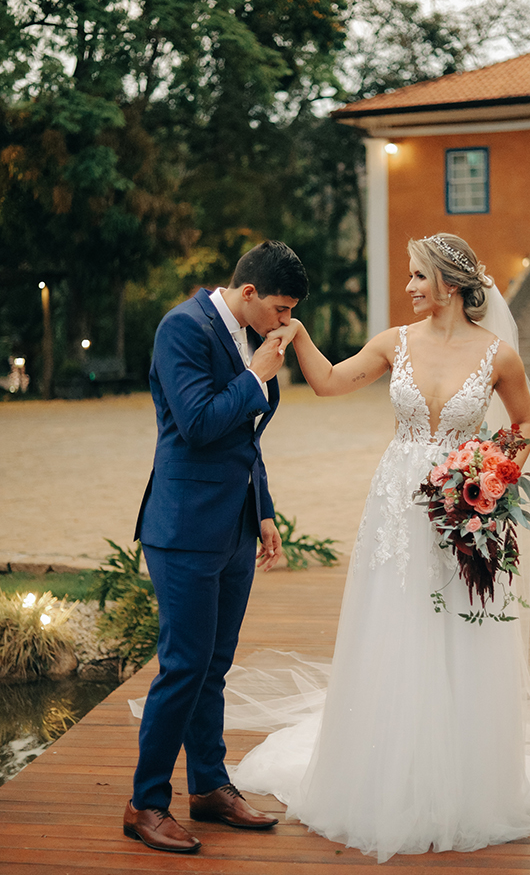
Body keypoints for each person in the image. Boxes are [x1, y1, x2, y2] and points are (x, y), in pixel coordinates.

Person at [229, 233, 530, 863]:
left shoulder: (498, 356)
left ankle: (456, 777)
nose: (409, 288)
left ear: (449, 285)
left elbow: (524, 423)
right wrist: (299, 336)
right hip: (395, 508)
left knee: (455, 628)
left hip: (459, 508)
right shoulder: (392, 343)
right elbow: (331, 383)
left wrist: (493, 474)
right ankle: (383, 772)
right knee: (392, 623)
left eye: (418, 277)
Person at [123, 239, 308, 854]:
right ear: (249, 293)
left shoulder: (246, 332)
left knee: (214, 665)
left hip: (232, 524)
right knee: (183, 665)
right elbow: (200, 423)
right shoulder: (182, 326)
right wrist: (257, 375)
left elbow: (244, 438)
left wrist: (264, 511)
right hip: (183, 528)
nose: (285, 323)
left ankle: (207, 787)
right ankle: (146, 802)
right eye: (280, 309)